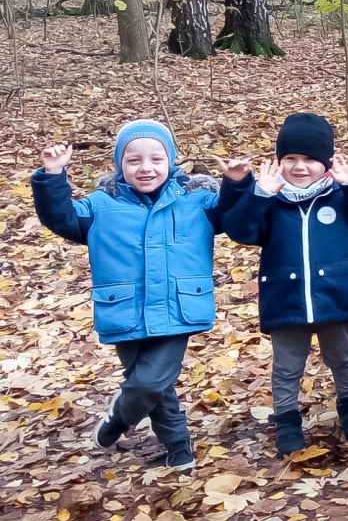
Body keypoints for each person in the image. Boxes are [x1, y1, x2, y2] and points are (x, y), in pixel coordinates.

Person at [32, 121, 241, 470]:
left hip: (178, 306)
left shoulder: (196, 201)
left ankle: (118, 418)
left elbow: (231, 214)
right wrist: (53, 175)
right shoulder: (101, 204)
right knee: (154, 386)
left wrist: (237, 183)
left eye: (156, 159)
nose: (146, 168)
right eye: (134, 161)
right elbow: (62, 218)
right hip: (123, 307)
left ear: (171, 162)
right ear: (120, 165)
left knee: (149, 381)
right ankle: (177, 444)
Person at [222, 113, 348, 455]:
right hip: (286, 298)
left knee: (342, 357)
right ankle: (286, 419)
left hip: (335, 296)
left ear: (326, 163)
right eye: (291, 159)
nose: (300, 167)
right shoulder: (271, 199)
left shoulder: (341, 196)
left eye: (310, 159)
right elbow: (240, 230)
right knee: (287, 365)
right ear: (279, 162)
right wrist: (257, 194)